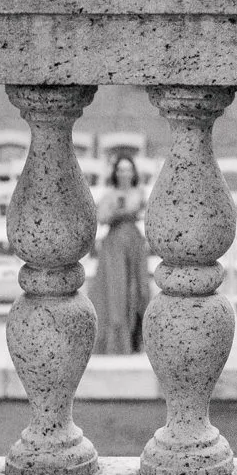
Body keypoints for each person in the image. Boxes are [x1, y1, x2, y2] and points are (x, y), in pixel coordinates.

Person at [89, 152, 151, 354]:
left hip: (134, 242)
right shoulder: (109, 195)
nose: (124, 173)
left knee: (138, 288)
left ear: (133, 172)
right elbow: (102, 217)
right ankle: (117, 342)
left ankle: (138, 338)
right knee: (117, 289)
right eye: (121, 169)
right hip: (115, 243)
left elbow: (143, 211)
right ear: (116, 172)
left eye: (128, 169)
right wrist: (117, 212)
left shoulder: (139, 193)